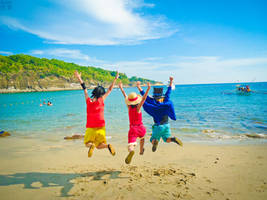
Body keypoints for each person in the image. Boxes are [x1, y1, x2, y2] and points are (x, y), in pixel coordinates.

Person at [74, 70, 119, 157]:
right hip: (101, 127)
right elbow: (110, 89)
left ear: (94, 92)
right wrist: (115, 79)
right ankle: (107, 146)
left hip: (91, 127)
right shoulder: (101, 100)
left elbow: (84, 88)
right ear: (101, 94)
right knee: (99, 145)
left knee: (87, 143)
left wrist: (79, 77)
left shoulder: (88, 101)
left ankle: (91, 145)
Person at [136, 77, 183, 152]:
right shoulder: (166, 102)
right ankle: (173, 139)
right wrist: (171, 81)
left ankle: (155, 142)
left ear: (154, 97)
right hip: (167, 125)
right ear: (162, 96)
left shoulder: (153, 105)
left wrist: (139, 88)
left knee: (152, 139)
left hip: (158, 126)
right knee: (166, 139)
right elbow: (168, 92)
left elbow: (145, 99)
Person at [118, 81, 151, 164]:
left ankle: (131, 151)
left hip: (133, 129)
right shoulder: (138, 108)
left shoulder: (129, 108)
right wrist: (148, 89)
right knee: (142, 138)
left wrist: (121, 88)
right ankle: (141, 150)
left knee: (131, 144)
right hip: (141, 128)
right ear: (137, 101)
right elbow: (143, 99)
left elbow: (125, 96)